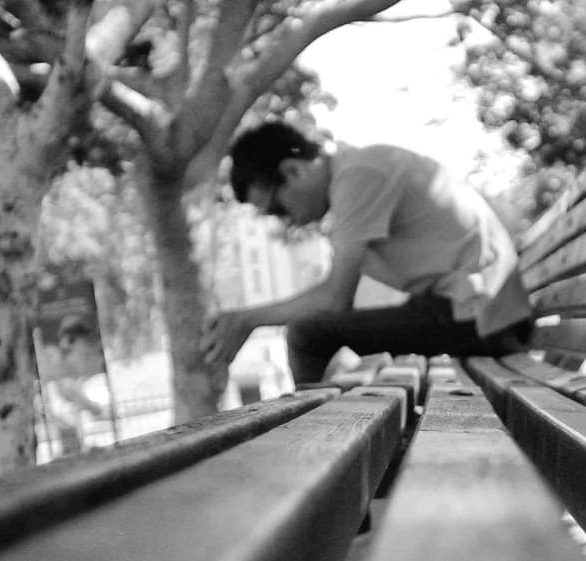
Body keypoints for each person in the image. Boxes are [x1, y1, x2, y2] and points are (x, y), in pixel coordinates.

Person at [203, 122, 535, 385]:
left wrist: (247, 319)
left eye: (277, 208)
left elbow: (335, 299)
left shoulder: (357, 177)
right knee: (330, 335)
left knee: (307, 335)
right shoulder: (357, 171)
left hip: (484, 316)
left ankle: (314, 449)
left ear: (293, 171)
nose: (286, 221)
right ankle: (334, 431)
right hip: (480, 310)